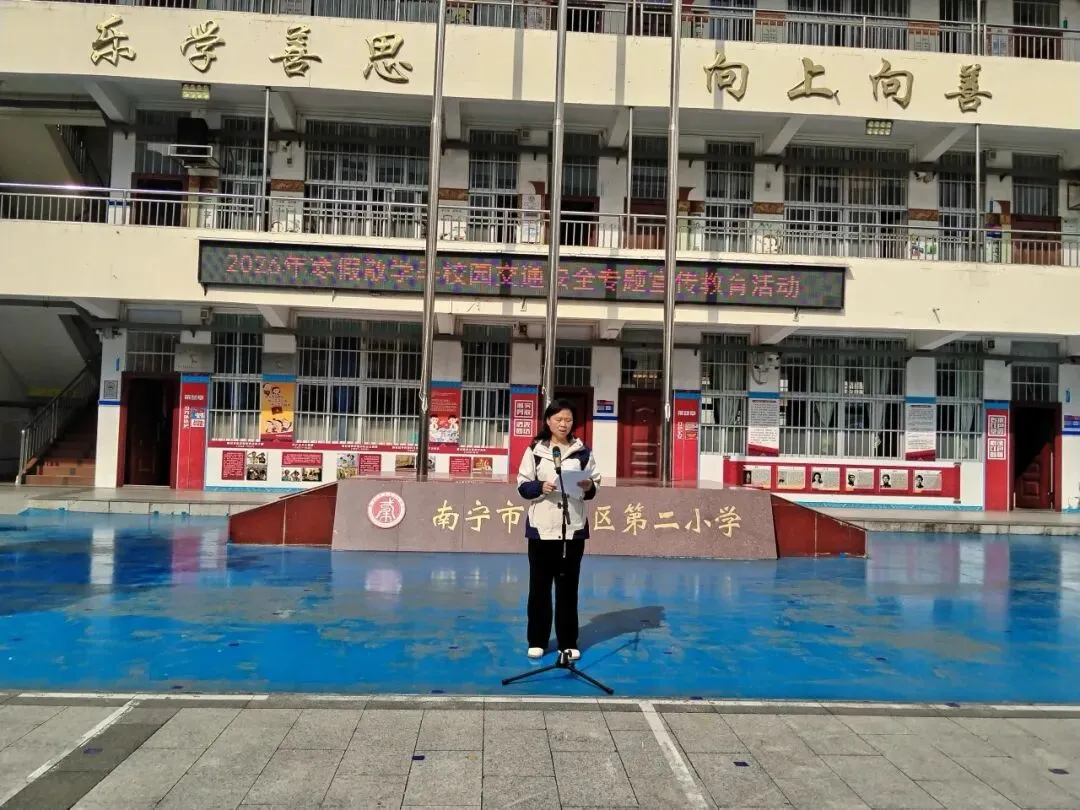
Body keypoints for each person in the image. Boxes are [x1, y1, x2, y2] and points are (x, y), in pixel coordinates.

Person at [516, 398, 601, 661]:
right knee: (539, 589)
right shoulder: (535, 449)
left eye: (568, 420)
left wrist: (588, 486)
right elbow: (522, 486)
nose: (564, 424)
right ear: (548, 421)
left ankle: (568, 642)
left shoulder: (582, 451)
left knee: (568, 589)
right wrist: (540, 487)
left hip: (572, 529)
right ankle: (537, 640)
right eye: (559, 419)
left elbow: (594, 486)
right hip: (542, 529)